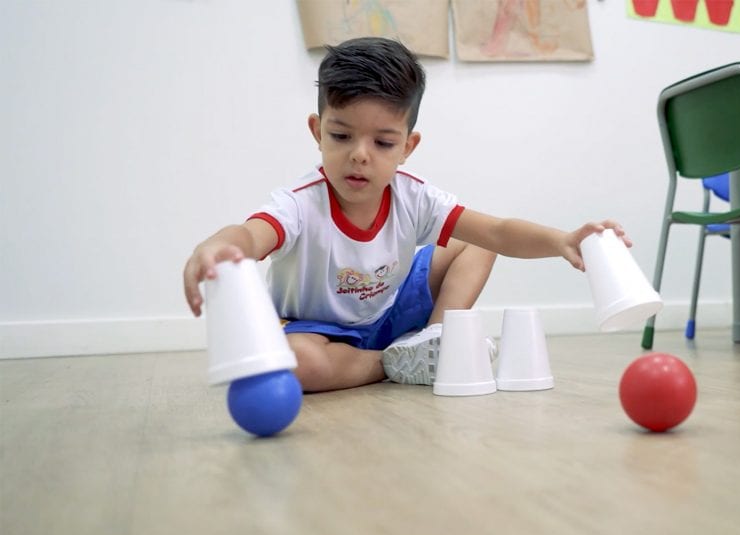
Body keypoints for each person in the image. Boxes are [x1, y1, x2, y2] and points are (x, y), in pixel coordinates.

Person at [182, 37, 629, 393]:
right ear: (318, 132)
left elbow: (495, 230)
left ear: (407, 147)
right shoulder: (300, 202)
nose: (360, 156)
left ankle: (432, 342)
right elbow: (250, 234)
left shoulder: (414, 196)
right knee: (298, 364)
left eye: (382, 143)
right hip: (315, 330)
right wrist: (219, 248)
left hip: (391, 311)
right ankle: (388, 364)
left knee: (475, 241)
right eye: (341, 136)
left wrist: (561, 241)